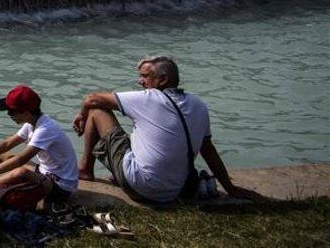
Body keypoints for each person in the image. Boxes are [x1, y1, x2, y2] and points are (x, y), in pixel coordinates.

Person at [72, 55, 264, 204]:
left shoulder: (148, 98)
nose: (140, 81)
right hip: (177, 189)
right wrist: (230, 188)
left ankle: (85, 169)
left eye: (145, 76)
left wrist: (82, 115)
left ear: (162, 80)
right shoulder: (199, 105)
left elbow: (92, 99)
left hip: (142, 187)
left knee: (96, 110)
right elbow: (209, 150)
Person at [0, 85, 79, 206]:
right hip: (43, 172)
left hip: (60, 186)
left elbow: (21, 159)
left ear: (25, 113)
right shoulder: (32, 122)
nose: (9, 115)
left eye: (11, 112)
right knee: (2, 156)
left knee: (21, 172)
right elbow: (6, 144)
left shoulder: (46, 129)